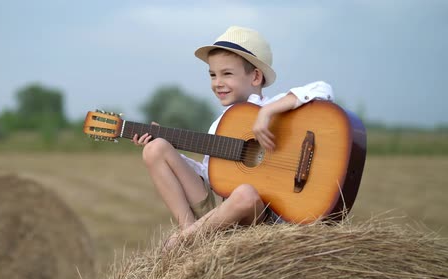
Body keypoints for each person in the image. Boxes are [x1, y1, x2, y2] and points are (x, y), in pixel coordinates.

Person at [132, 26, 333, 249]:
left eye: (227, 74)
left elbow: (322, 89)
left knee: (245, 194)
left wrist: (268, 113)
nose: (217, 82)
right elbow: (213, 177)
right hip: (224, 214)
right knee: (155, 149)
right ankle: (189, 234)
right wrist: (168, 148)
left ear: (255, 76)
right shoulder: (220, 125)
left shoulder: (274, 109)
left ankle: (183, 241)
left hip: (260, 215)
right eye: (212, 75)